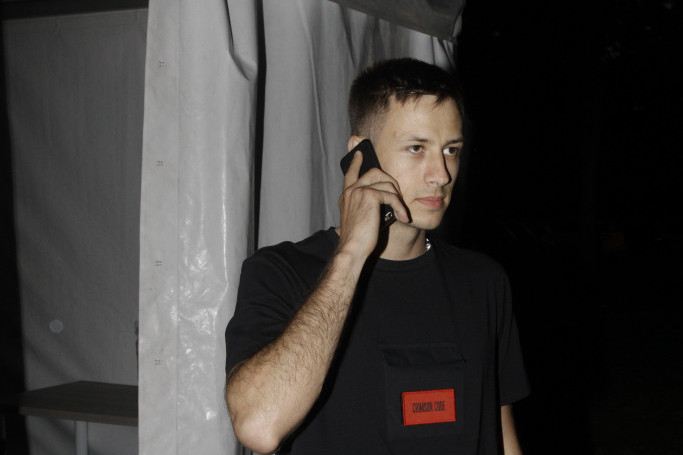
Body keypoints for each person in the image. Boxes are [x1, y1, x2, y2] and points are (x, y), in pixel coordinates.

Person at [225, 58, 529, 454]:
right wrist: (351, 253)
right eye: (416, 148)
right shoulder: (281, 273)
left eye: (451, 150)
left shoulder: (483, 282)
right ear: (360, 154)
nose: (441, 174)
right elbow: (259, 426)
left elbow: (502, 435)